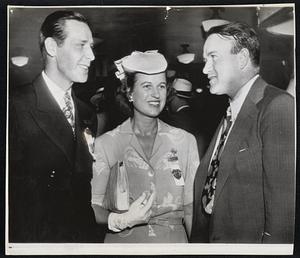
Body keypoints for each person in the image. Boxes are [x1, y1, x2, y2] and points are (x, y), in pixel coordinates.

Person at [191, 22, 295, 243]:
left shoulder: (277, 106)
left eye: (213, 57)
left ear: (242, 58)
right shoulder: (230, 113)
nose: (205, 68)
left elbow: (283, 210)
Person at [9, 10, 101, 242]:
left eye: (91, 46)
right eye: (81, 45)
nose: (91, 55)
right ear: (52, 47)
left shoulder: (88, 113)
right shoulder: (16, 107)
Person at [91, 50, 200, 243]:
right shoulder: (107, 143)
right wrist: (121, 219)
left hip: (173, 246)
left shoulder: (185, 141)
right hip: (123, 246)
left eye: (161, 86)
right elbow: (94, 207)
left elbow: (190, 210)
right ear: (130, 92)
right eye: (147, 86)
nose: (156, 94)